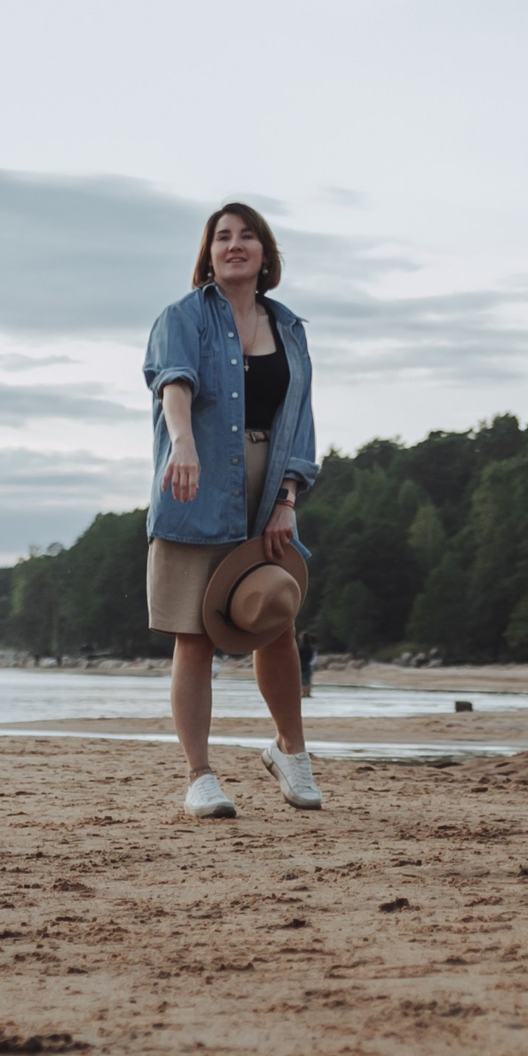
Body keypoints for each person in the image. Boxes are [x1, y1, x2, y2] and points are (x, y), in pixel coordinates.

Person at [140, 202, 323, 819]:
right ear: (208, 253)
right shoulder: (182, 316)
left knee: (275, 618)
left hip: (268, 486)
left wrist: (286, 500)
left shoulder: (290, 328)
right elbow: (173, 383)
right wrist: (183, 441)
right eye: (222, 237)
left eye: (247, 236)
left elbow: (300, 421)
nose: (234, 244)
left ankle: (290, 751)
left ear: (266, 255)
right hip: (195, 483)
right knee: (194, 636)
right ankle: (200, 776)